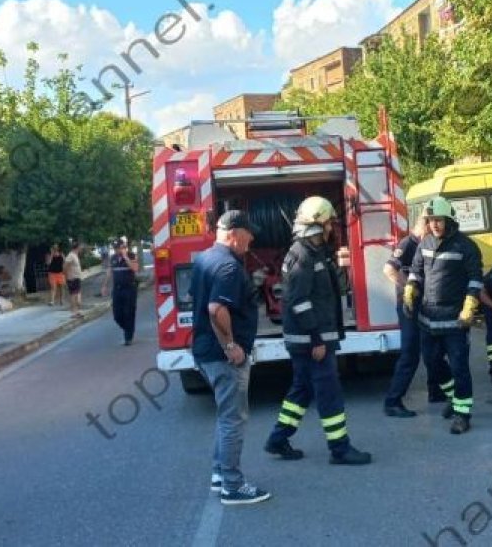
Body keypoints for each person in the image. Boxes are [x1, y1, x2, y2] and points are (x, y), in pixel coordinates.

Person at [265, 196, 372, 465]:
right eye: (328, 223)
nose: (331, 228)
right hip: (312, 341)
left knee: (302, 389)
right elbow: (298, 301)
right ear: (318, 224)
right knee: (329, 393)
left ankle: (278, 439)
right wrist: (315, 338)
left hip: (310, 339)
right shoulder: (303, 256)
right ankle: (340, 449)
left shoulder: (312, 253)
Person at [190, 210, 271, 505]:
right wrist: (231, 346)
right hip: (221, 356)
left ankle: (219, 473)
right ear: (234, 233)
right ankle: (233, 487)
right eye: (249, 234)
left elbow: (198, 300)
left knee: (225, 416)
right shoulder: (228, 267)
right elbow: (215, 309)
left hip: (203, 350)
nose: (251, 239)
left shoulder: (204, 259)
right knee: (234, 420)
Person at [404, 196, 483, 434]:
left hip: (455, 320)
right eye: (430, 221)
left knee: (459, 367)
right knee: (432, 363)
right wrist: (410, 288)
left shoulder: (466, 246)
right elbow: (416, 271)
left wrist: (469, 305)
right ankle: (453, 397)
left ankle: (462, 414)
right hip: (428, 318)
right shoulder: (425, 243)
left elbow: (475, 279)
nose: (434, 225)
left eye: (439, 220)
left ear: (449, 220)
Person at [381, 216, 450, 417]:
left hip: (423, 306)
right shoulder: (409, 243)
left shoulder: (425, 245)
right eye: (430, 227)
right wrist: (410, 287)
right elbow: (389, 269)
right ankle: (393, 402)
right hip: (409, 306)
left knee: (432, 349)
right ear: (424, 226)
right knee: (410, 354)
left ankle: (436, 391)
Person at [102, 239, 139, 345]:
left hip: (129, 288)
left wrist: (125, 257)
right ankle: (128, 328)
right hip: (118, 289)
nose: (119, 250)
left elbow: (135, 268)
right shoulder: (113, 258)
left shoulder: (131, 256)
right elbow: (109, 272)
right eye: (117, 248)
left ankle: (128, 337)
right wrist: (104, 286)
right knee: (117, 314)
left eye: (122, 248)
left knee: (129, 312)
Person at [64, 242, 84, 318]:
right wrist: (67, 276)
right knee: (73, 295)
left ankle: (77, 311)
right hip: (72, 278)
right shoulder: (71, 256)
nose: (81, 249)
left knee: (77, 295)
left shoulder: (75, 255)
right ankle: (74, 312)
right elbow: (65, 266)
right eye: (80, 247)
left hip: (77, 278)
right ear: (77, 247)